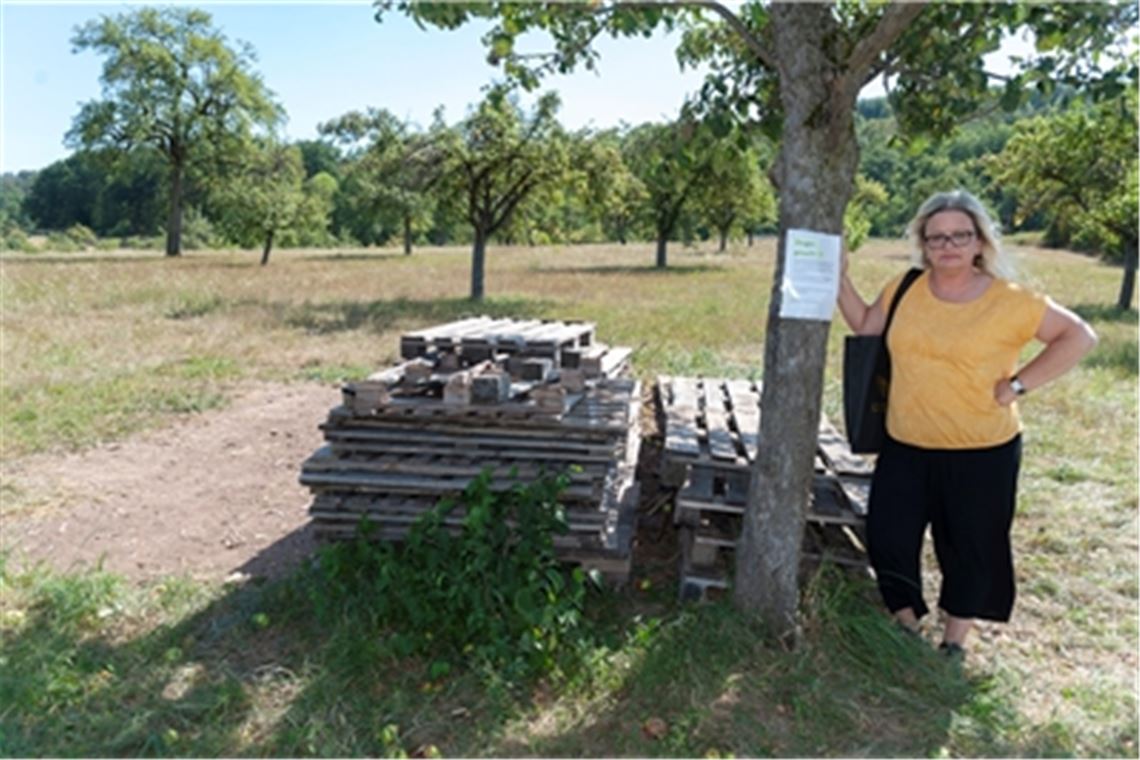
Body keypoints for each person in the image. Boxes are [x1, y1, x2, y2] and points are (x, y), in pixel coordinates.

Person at [836, 189, 1098, 657]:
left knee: (970, 548)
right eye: (936, 237)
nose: (948, 245)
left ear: (979, 241)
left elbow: (1078, 336)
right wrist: (839, 280)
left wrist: (1019, 385)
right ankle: (907, 621)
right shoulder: (904, 287)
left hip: (982, 450)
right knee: (887, 537)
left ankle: (954, 642)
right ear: (923, 243)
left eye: (960, 235)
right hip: (905, 444)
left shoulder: (1012, 299)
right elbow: (867, 328)